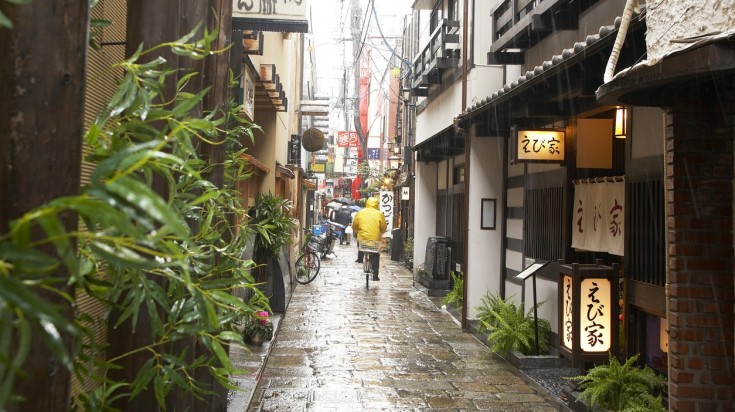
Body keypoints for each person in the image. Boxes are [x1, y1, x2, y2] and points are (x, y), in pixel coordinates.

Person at [351, 197, 387, 281]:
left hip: (362, 239)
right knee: (375, 255)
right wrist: (380, 232)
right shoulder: (379, 214)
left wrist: (357, 231)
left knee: (361, 246)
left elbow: (355, 225)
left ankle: (361, 258)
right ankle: (375, 276)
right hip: (375, 240)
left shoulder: (360, 212)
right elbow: (384, 227)